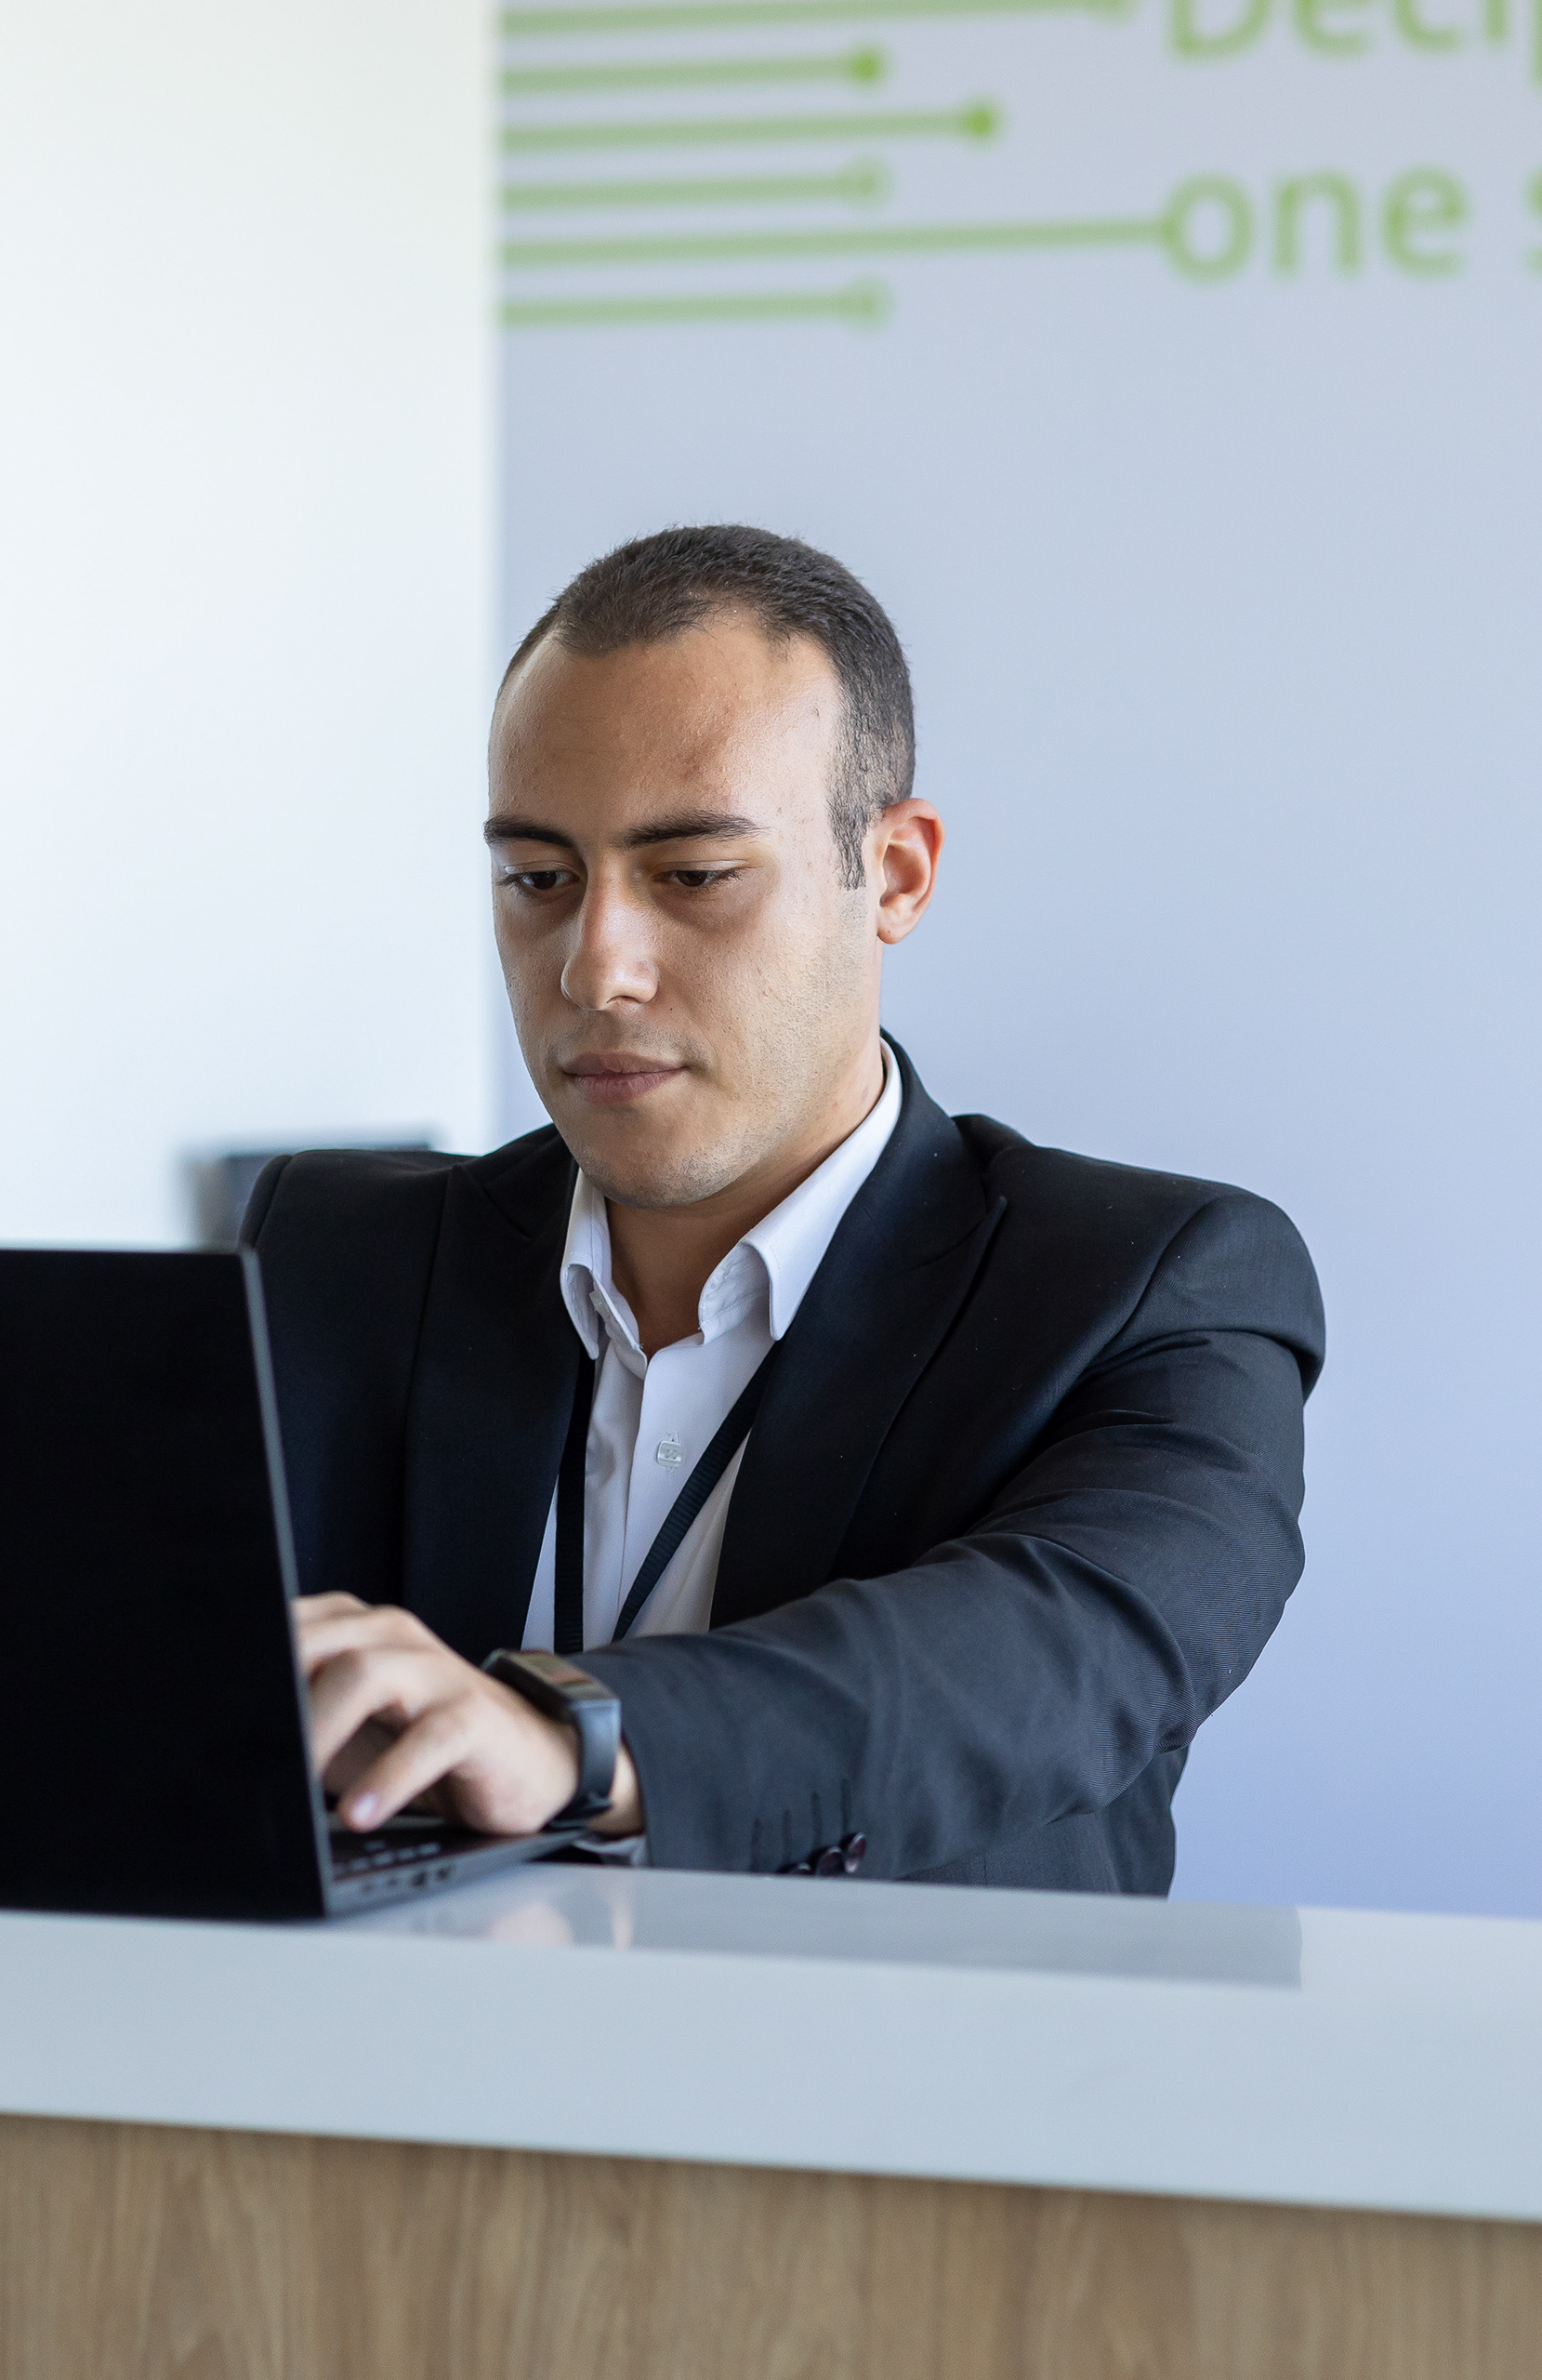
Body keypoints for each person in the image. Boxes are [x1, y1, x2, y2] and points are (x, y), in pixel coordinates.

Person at [247, 525, 1324, 1890]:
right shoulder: (337, 1256)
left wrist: (569, 1738)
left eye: (694, 876)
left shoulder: (1155, 1287)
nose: (595, 968)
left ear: (898, 874)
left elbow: (1048, 1659)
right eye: (538, 879)